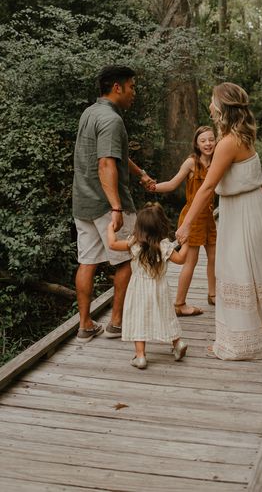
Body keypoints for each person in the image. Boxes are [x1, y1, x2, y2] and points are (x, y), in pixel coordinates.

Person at [176, 83, 262, 360]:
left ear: (222, 107)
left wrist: (185, 225)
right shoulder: (238, 135)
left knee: (239, 271)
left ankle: (244, 342)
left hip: (243, 213)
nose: (209, 106)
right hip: (249, 207)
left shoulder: (228, 143)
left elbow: (207, 187)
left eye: (212, 102)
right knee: (250, 272)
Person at [72, 65, 154, 343]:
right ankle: (116, 322)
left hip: (83, 202)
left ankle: (85, 325)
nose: (134, 92)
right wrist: (116, 207)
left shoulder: (90, 113)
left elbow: (114, 155)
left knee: (87, 262)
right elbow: (106, 162)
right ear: (117, 87)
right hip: (107, 204)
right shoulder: (111, 120)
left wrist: (140, 173)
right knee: (127, 259)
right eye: (132, 86)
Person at [107, 203, 188, 369]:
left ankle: (141, 356)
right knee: (166, 315)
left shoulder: (134, 244)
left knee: (139, 318)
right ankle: (177, 343)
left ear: (140, 227)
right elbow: (181, 260)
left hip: (138, 289)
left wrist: (110, 228)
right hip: (160, 288)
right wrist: (186, 243)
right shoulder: (164, 245)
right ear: (161, 226)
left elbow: (112, 244)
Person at [149, 126, 217, 316]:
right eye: (203, 140)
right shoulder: (191, 163)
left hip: (209, 217)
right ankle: (179, 304)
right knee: (190, 260)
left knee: (214, 256)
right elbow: (172, 184)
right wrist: (154, 187)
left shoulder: (218, 161)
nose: (208, 144)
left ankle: (213, 294)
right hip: (192, 218)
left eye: (211, 139)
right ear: (196, 143)